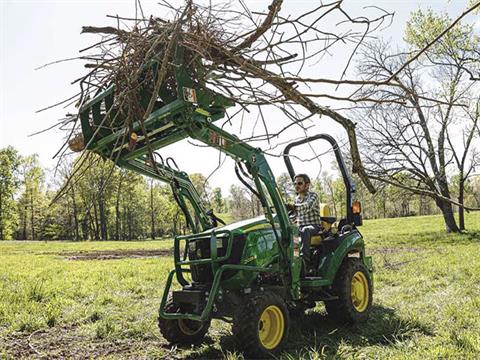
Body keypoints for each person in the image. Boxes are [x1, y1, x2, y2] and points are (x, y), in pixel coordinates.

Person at [288, 174, 322, 275]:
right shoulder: (296, 199)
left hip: (314, 226)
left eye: (299, 183)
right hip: (301, 226)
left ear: (307, 185)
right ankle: (293, 258)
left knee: (305, 230)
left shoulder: (313, 196)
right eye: (295, 184)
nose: (296, 186)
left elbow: (307, 206)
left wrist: (293, 207)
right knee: (290, 231)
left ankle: (305, 263)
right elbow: (294, 216)